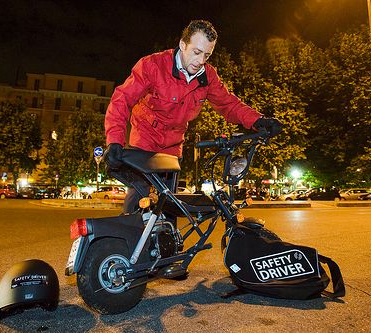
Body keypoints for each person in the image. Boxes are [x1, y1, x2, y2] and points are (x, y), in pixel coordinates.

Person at [104, 19, 282, 213]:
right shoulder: (152, 65)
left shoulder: (208, 77)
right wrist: (115, 141)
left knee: (168, 205)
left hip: (172, 147)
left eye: (207, 55)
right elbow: (121, 99)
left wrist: (258, 120)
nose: (200, 61)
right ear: (183, 44)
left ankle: (165, 240)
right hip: (145, 140)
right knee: (139, 197)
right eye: (196, 52)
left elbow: (229, 104)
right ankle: (129, 236)